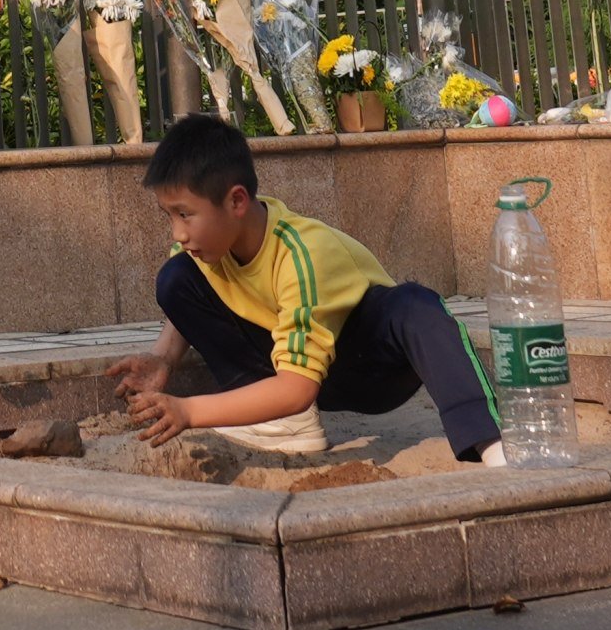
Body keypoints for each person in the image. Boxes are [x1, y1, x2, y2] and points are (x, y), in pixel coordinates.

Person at [117, 112, 505, 466]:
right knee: (177, 276)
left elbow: (298, 388)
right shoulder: (202, 247)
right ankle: (283, 424)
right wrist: (163, 358)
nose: (178, 233)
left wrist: (189, 411)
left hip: (364, 368)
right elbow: (191, 295)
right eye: (169, 215)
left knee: (416, 304)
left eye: (185, 214)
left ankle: (493, 445)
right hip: (290, 364)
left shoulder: (301, 252)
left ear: (236, 201)